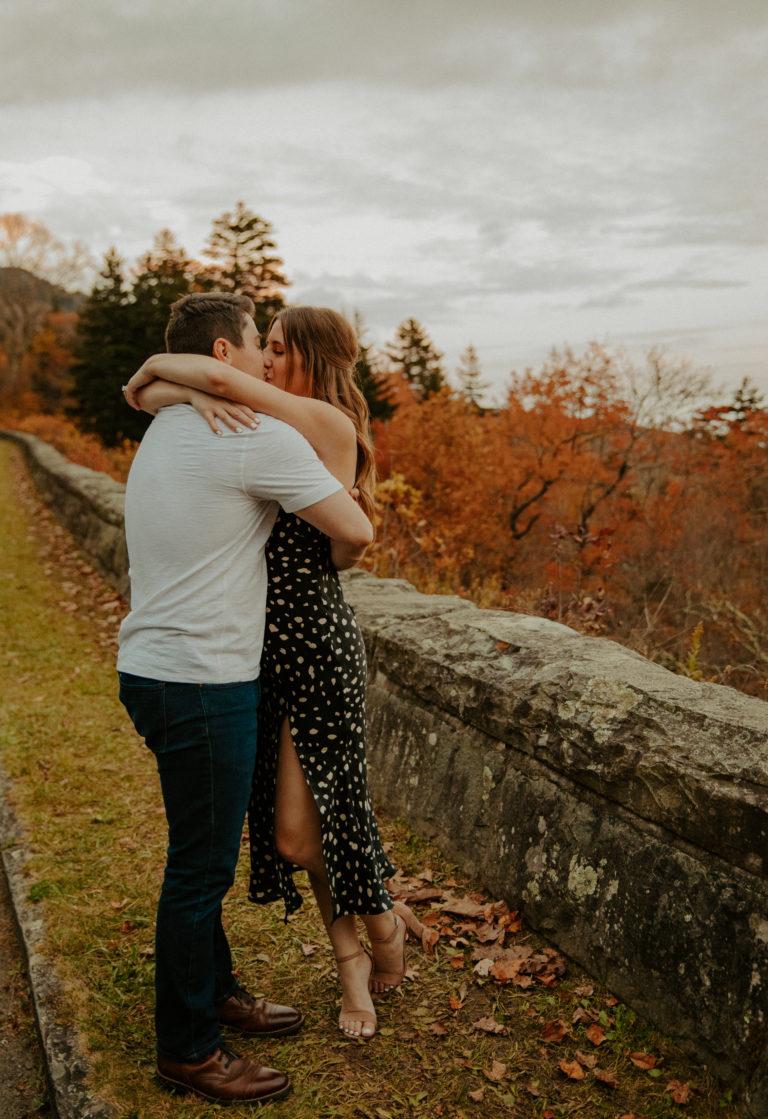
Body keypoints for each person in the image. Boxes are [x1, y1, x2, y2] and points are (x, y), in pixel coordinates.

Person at [124, 306, 427, 1043]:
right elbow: (175, 388)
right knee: (296, 824)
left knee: (307, 826)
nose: (265, 361)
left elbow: (356, 540)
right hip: (254, 649)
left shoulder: (316, 422)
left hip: (314, 642)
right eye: (266, 345)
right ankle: (363, 941)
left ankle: (375, 932)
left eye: (279, 349)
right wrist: (168, 386)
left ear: (309, 361)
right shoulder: (253, 426)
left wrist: (157, 377)